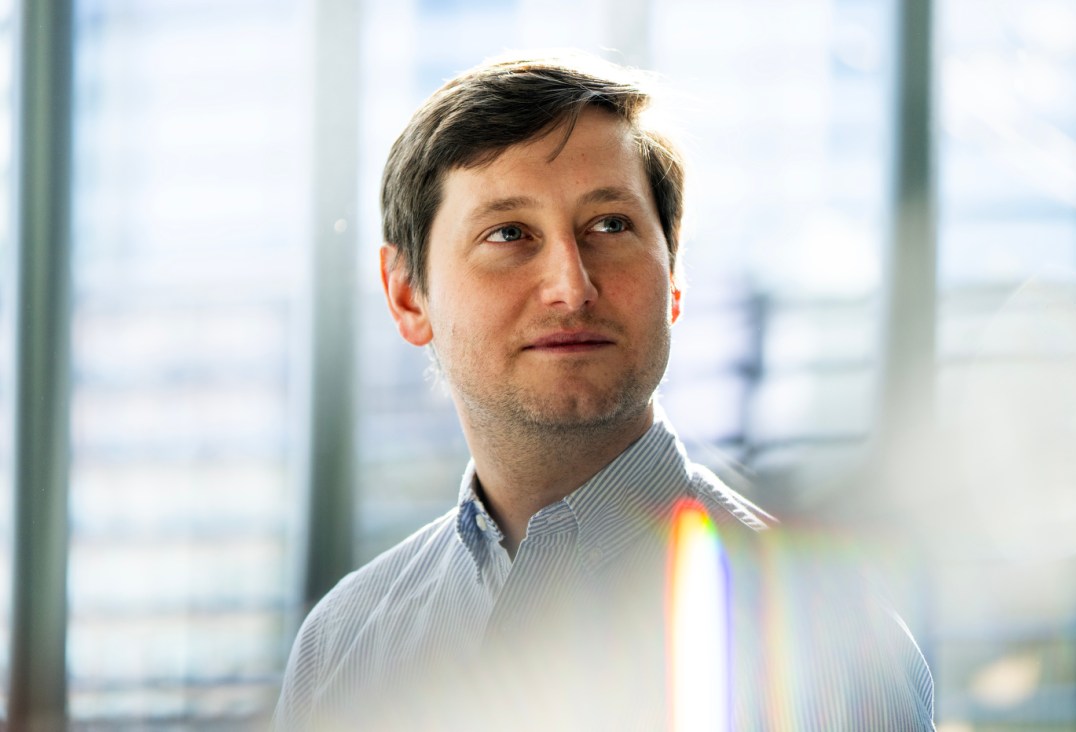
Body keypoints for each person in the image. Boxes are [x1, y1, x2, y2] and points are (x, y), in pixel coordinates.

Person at [274, 51, 935, 731]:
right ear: (408, 295)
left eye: (610, 226)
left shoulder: (829, 634)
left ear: (674, 275)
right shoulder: (342, 650)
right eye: (509, 234)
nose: (571, 285)